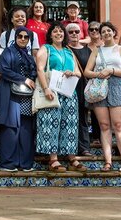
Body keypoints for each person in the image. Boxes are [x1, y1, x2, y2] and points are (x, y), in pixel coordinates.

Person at [35, 22, 86, 172]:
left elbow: (79, 73)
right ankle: (53, 159)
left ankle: (71, 157)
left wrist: (72, 73)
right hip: (52, 90)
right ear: (50, 35)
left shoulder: (69, 50)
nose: (59, 34)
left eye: (61, 31)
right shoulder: (46, 48)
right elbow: (40, 69)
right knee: (52, 123)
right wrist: (46, 89)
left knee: (70, 124)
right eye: (55, 31)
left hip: (69, 92)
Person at [84, 22, 121, 172]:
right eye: (103, 31)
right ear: (100, 35)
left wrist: (111, 70)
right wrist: (99, 74)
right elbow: (87, 72)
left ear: (114, 32)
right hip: (100, 88)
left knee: (118, 125)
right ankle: (108, 162)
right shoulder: (97, 50)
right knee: (104, 126)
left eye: (108, 30)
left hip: (117, 86)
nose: (106, 33)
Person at [0, 26, 37, 171]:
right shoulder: (8, 51)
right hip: (11, 95)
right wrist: (24, 79)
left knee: (26, 129)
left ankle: (25, 163)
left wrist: (31, 79)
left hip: (26, 97)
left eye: (26, 37)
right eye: (20, 36)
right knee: (10, 127)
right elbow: (4, 69)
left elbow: (34, 72)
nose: (23, 39)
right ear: (15, 38)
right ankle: (8, 163)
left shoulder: (29, 56)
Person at [66, 23, 92, 156]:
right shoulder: (64, 49)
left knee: (83, 118)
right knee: (68, 118)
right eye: (70, 32)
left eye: (76, 31)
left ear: (81, 33)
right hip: (67, 87)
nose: (74, 34)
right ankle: (68, 147)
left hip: (83, 87)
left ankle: (84, 147)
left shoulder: (88, 51)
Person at [86, 20, 102, 142]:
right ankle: (94, 136)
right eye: (91, 29)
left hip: (103, 81)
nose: (94, 31)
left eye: (97, 29)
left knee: (101, 108)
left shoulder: (105, 46)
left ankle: (101, 135)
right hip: (88, 80)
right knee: (91, 108)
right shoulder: (85, 48)